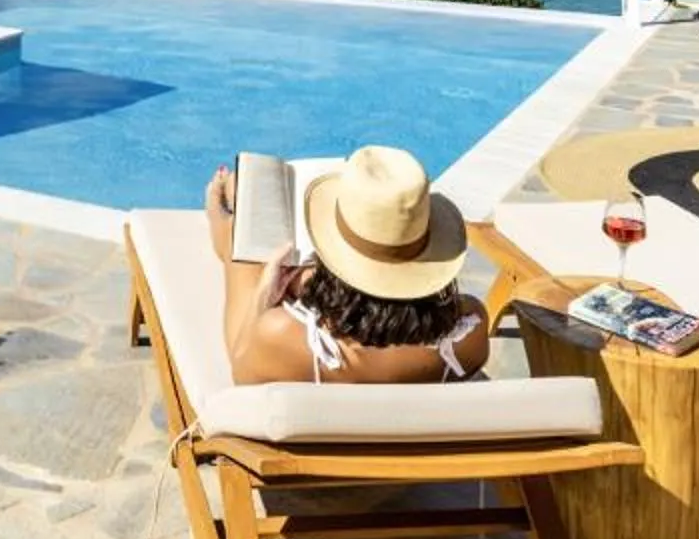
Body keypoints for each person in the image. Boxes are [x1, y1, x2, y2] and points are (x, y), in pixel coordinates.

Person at [202, 144, 489, 385]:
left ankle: (227, 233)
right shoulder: (469, 332)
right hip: (415, 442)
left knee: (243, 243)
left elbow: (241, 366)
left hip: (303, 442)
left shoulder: (285, 338)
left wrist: (257, 290)